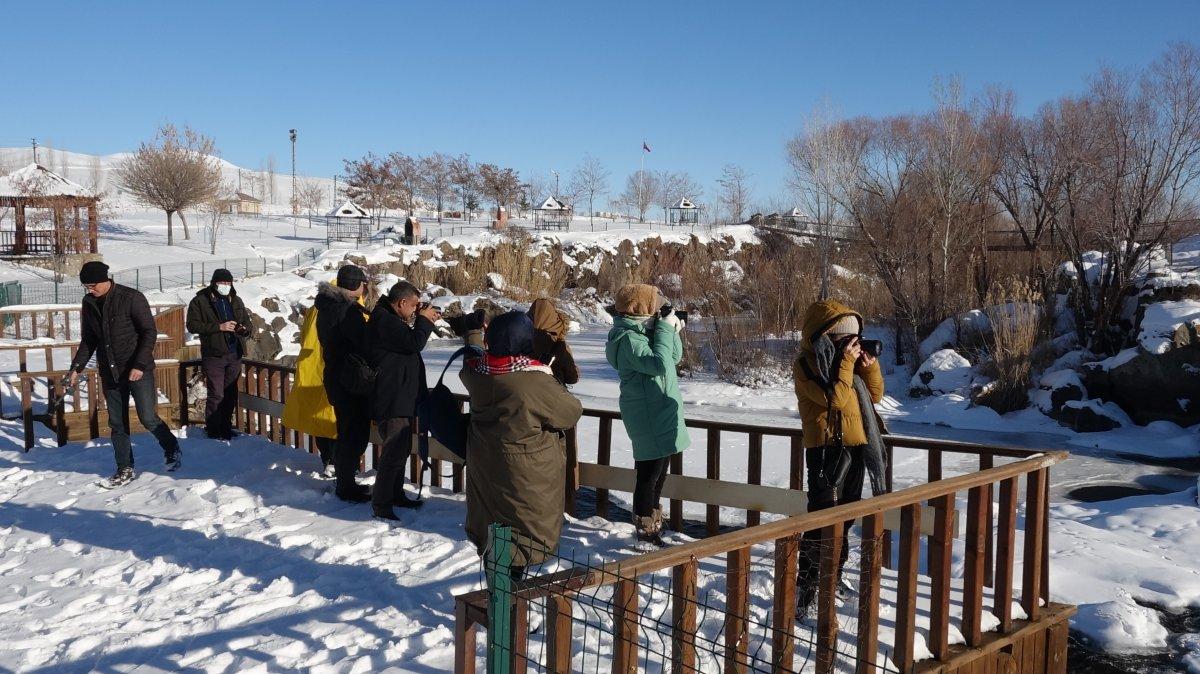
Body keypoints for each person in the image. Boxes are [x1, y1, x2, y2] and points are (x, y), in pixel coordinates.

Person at [461, 311, 582, 572]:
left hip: (487, 469)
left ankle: (500, 600)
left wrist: (472, 333)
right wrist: (550, 373)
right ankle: (507, 605)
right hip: (525, 475)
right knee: (519, 540)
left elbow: (472, 355)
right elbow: (571, 412)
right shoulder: (534, 382)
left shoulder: (477, 373)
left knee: (496, 534)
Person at [791, 299, 887, 618]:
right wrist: (846, 364)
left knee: (845, 519)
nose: (851, 344)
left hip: (855, 449)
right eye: (845, 338)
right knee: (821, 521)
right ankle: (807, 584)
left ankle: (833, 577)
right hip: (826, 452)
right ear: (827, 337)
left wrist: (869, 364)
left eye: (854, 338)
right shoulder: (808, 365)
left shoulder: (847, 367)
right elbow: (836, 398)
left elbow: (873, 396)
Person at [68, 261, 182, 488]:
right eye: (86, 287)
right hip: (110, 372)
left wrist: (139, 365)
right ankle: (124, 468)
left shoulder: (131, 297)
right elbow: (89, 338)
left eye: (92, 285)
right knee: (117, 423)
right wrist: (76, 367)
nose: (90, 290)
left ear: (105, 279)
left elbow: (149, 332)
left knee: (147, 417)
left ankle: (172, 448)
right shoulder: (89, 302)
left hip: (138, 369)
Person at [605, 283, 688, 547]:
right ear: (642, 309)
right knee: (648, 475)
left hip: (659, 409)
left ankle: (653, 526)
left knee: (660, 471)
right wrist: (663, 329)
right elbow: (659, 365)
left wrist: (671, 328)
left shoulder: (643, 332)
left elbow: (674, 356)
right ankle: (645, 531)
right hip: (648, 413)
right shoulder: (628, 338)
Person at [367, 281, 440, 520]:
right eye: (414, 306)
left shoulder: (388, 318)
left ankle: (395, 494)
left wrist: (420, 318)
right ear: (401, 303)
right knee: (394, 452)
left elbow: (408, 342)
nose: (416, 310)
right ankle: (381, 504)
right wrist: (425, 321)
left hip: (399, 395)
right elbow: (413, 343)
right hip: (392, 396)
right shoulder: (385, 321)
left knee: (400, 449)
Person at [314, 264, 373, 502]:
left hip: (335, 377)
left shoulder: (326, 307)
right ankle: (346, 485)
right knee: (354, 433)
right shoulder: (348, 312)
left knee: (346, 430)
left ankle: (345, 480)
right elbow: (365, 343)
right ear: (358, 286)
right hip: (350, 380)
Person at [186, 269, 251, 441]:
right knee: (217, 394)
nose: (226, 286)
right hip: (214, 354)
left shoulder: (235, 300)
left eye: (229, 283)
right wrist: (219, 327)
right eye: (222, 283)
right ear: (214, 283)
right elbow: (192, 326)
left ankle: (226, 428)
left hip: (234, 352)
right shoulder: (200, 301)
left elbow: (247, 323)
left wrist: (243, 329)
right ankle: (213, 430)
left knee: (230, 393)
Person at [527, 298, 579, 386]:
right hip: (552, 393)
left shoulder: (516, 339)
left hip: (517, 393)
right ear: (554, 317)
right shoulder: (558, 344)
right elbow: (572, 378)